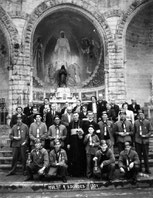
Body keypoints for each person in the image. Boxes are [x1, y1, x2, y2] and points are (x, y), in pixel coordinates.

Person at [134, 110, 152, 174]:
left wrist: (146, 135)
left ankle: (147, 168)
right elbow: (134, 131)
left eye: (142, 114)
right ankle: (139, 168)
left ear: (144, 115)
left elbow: (150, 131)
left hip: (145, 141)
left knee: (146, 156)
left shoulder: (147, 122)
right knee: (138, 156)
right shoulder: (136, 122)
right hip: (138, 141)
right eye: (139, 115)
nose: (141, 116)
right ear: (138, 116)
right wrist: (135, 139)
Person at [67, 111, 85, 177]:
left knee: (80, 157)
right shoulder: (70, 123)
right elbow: (68, 134)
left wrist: (81, 133)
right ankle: (73, 173)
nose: (75, 117)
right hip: (73, 143)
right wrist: (68, 143)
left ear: (78, 116)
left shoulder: (82, 123)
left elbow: (84, 132)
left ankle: (80, 173)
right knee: (73, 157)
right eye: (74, 116)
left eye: (76, 116)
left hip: (80, 143)